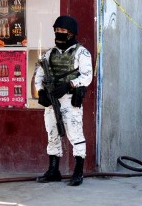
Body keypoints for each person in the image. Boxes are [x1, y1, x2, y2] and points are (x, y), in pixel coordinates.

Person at [35, 15, 93, 186]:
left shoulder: (81, 53)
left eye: (62, 30)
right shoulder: (49, 54)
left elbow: (87, 76)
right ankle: (53, 170)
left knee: (75, 135)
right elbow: (39, 75)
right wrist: (41, 92)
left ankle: (78, 171)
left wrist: (70, 85)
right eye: (57, 30)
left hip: (69, 100)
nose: (59, 33)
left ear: (71, 33)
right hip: (52, 101)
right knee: (52, 134)